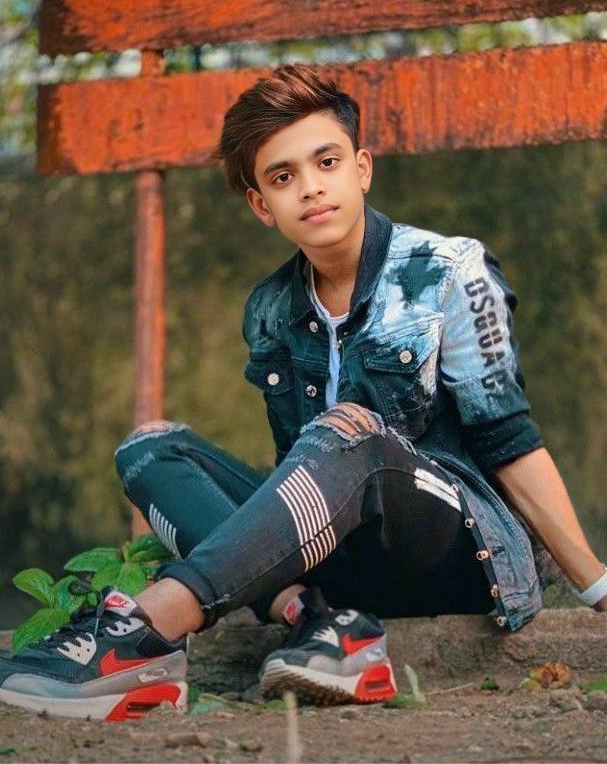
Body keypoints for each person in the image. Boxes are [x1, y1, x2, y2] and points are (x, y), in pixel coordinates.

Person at [1, 64, 605, 721]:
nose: (311, 187)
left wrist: (596, 585)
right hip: (341, 556)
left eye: (327, 162)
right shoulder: (270, 309)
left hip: (456, 552)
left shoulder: (449, 271)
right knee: (149, 449)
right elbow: (300, 474)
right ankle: (320, 620)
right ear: (262, 205)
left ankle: (146, 630)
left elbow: (509, 441)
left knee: (350, 429)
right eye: (283, 176)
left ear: (361, 169)